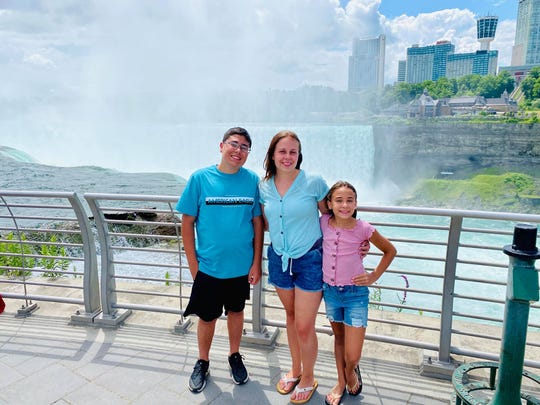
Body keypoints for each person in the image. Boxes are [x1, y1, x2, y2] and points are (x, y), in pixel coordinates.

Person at [176, 127, 264, 394]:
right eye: (234, 144)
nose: (239, 151)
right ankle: (202, 361)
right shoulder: (200, 179)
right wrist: (194, 265)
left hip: (240, 266)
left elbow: (258, 222)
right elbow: (187, 222)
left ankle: (234, 355)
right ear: (222, 145)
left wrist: (256, 261)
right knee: (207, 317)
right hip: (209, 266)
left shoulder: (251, 181)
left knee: (237, 312)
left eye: (245, 147)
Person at [258, 129, 329, 404]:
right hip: (278, 257)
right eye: (282, 151)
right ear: (273, 155)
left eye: (293, 152)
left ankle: (309, 378)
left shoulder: (313, 182)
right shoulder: (263, 187)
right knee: (290, 316)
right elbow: (265, 223)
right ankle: (296, 369)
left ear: (299, 156)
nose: (287, 156)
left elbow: (330, 217)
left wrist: (357, 242)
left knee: (304, 325)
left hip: (310, 258)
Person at [320, 181, 396, 405]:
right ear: (330, 204)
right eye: (339, 200)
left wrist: (374, 276)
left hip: (355, 295)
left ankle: (351, 370)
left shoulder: (363, 228)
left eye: (349, 200)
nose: (344, 205)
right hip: (331, 292)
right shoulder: (324, 222)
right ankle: (341, 382)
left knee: (352, 354)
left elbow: (390, 250)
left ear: (356, 203)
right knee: (339, 339)